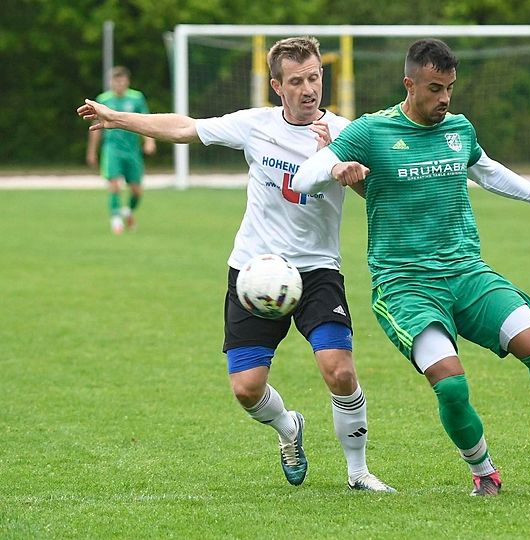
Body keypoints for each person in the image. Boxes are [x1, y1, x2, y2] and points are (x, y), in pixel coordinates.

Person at [292, 38, 530, 496]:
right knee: (450, 386)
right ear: (409, 84)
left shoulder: (459, 129)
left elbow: (488, 170)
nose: (444, 98)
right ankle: (484, 471)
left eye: (449, 88)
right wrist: (335, 169)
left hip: (467, 272)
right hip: (405, 284)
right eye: (434, 88)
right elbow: (304, 176)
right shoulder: (371, 131)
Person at [77, 37, 394, 492]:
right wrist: (118, 119)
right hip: (254, 271)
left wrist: (349, 171)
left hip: (317, 270)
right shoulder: (255, 125)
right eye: (296, 81)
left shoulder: (348, 132)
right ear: (277, 86)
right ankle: (288, 427)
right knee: (246, 389)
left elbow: (379, 193)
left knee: (339, 370)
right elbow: (185, 128)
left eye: (314, 78)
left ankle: (358, 473)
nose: (308, 89)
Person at [85, 66, 156, 234]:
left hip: (132, 151)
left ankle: (128, 212)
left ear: (127, 81)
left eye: (122, 81)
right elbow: (95, 128)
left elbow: (147, 121)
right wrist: (91, 151)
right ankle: (116, 220)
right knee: (115, 185)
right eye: (116, 81)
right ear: (111, 82)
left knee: (137, 191)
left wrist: (149, 142)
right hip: (112, 149)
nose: (119, 84)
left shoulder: (136, 98)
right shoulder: (103, 99)